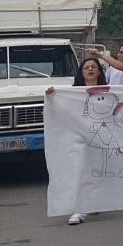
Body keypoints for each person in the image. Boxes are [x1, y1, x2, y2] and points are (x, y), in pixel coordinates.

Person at [45, 57, 108, 225]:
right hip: (78, 138)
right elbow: (60, 110)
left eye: (93, 67)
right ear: (81, 72)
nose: (90, 69)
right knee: (79, 171)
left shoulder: (108, 92)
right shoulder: (72, 93)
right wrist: (52, 96)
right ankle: (78, 210)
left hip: (100, 139)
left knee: (96, 172)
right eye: (86, 67)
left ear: (99, 71)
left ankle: (92, 202)